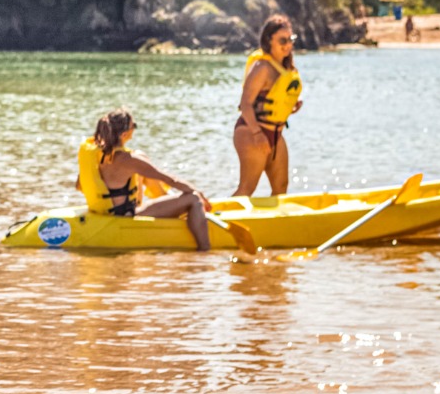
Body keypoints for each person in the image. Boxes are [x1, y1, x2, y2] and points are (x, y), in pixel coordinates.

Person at [80, 108, 212, 251]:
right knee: (193, 198)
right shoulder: (129, 160)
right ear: (125, 134)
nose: (134, 129)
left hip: (102, 213)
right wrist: (200, 194)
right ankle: (204, 250)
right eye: (134, 126)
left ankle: (173, 205)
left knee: (141, 173)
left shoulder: (94, 155)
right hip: (124, 217)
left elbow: (79, 186)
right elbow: (171, 180)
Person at [233, 15, 302, 197]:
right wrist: (257, 135)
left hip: (276, 133)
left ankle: (271, 224)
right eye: (282, 40)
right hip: (252, 132)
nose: (288, 45)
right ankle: (212, 220)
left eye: (290, 39)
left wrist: (290, 107)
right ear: (268, 40)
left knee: (281, 187)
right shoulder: (262, 68)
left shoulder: (286, 68)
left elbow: (273, 101)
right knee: (247, 188)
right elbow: (245, 104)